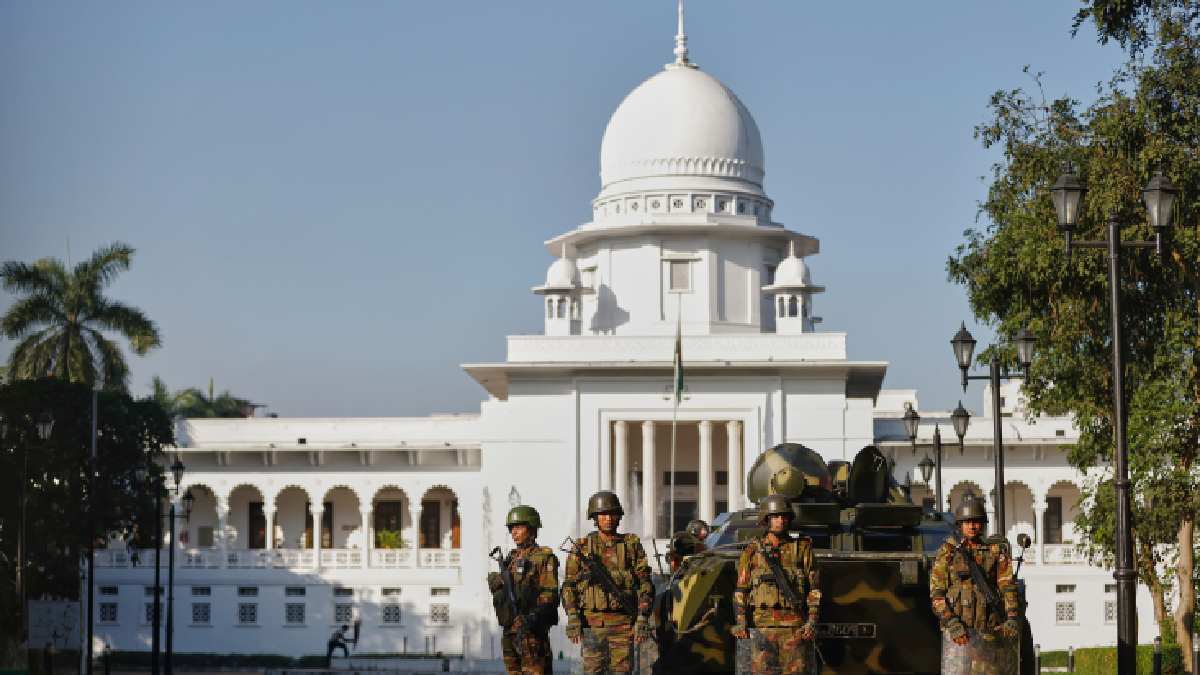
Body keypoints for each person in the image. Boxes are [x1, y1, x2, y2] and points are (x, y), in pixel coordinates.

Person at [561, 490, 654, 674]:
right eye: (603, 514)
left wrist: (643, 617)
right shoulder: (582, 547)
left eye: (612, 514)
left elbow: (645, 584)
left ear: (619, 517)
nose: (608, 519)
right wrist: (573, 617)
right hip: (592, 624)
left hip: (623, 623)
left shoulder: (631, 545)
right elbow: (568, 587)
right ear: (595, 518)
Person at [732, 494, 821, 674]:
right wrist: (741, 622)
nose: (780, 521)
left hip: (794, 628)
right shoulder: (751, 552)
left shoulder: (802, 548)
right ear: (766, 519)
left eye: (784, 516)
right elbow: (741, 590)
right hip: (761, 628)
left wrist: (812, 621)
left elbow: (814, 589)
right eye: (775, 516)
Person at [930, 497, 1021, 673]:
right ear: (960, 525)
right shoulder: (947, 552)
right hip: (959, 635)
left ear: (983, 525)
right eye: (967, 522)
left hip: (989, 634)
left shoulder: (995, 552)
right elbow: (937, 594)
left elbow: (1007, 586)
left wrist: (1011, 616)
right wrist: (951, 622)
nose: (972, 526)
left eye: (976, 522)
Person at [487, 505, 560, 674]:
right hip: (510, 631)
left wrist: (534, 617)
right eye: (512, 528)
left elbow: (549, 592)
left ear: (532, 529)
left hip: (531, 631)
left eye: (519, 527)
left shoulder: (543, 558)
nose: (514, 532)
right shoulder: (511, 559)